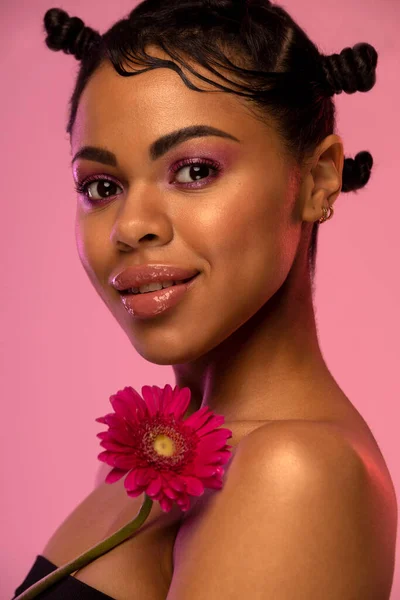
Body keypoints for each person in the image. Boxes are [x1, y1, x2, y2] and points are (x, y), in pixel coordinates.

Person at [13, 1, 397, 598]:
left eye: (193, 171)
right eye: (102, 186)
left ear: (318, 179)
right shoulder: (155, 463)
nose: (131, 225)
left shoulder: (294, 471)